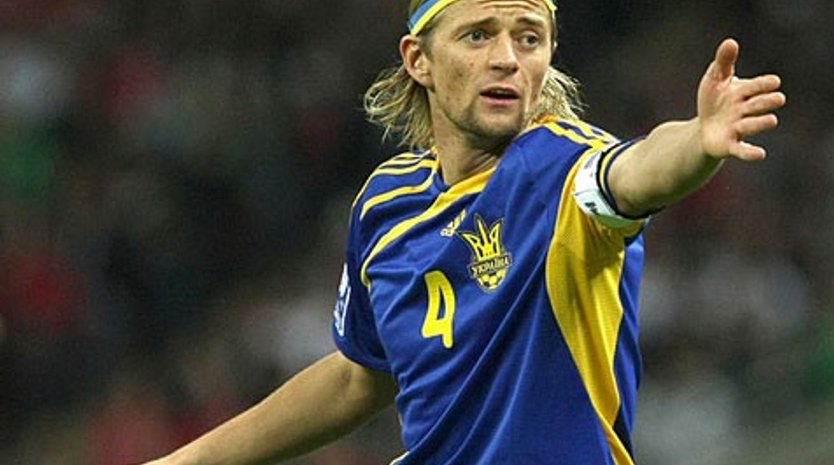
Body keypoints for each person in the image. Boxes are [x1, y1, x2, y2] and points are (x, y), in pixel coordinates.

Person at [142, 0, 785, 464]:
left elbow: (637, 170)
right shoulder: (385, 204)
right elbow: (359, 377)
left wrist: (697, 143)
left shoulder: (559, 170)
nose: (506, 59)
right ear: (418, 59)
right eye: (478, 35)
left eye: (528, 38)